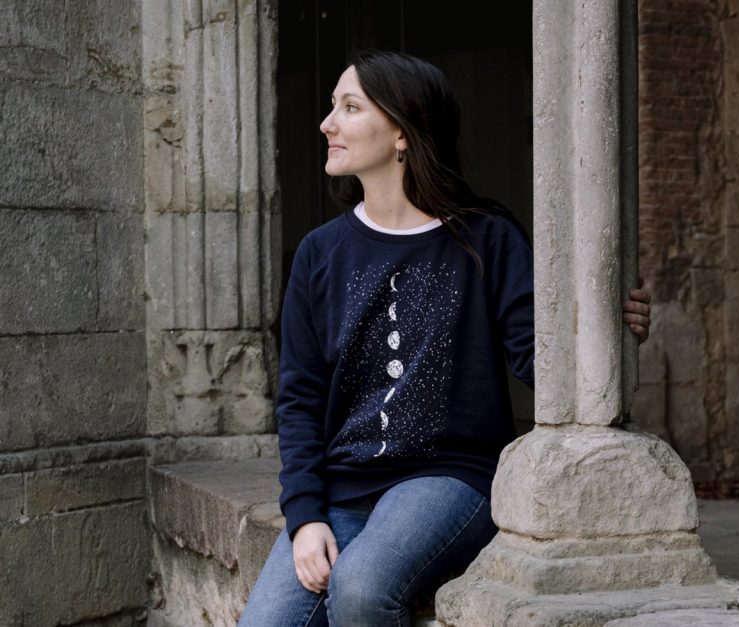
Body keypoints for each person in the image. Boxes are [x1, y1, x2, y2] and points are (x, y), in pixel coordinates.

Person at [238, 50, 652, 626]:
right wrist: (305, 517)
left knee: (360, 588)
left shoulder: (486, 238)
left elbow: (540, 357)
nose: (327, 123)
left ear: (402, 132)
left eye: (350, 107)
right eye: (333, 106)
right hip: (343, 486)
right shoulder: (320, 253)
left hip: (450, 478)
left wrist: (605, 323)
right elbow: (300, 398)